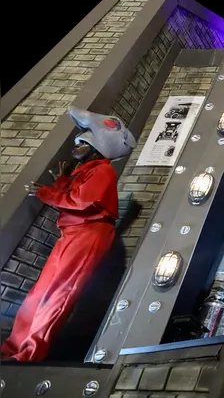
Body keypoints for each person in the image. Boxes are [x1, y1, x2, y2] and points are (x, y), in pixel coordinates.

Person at [1, 107, 135, 361]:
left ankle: (30, 353)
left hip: (88, 235)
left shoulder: (104, 170)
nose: (76, 145)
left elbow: (83, 202)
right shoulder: (87, 170)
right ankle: (11, 348)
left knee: (59, 295)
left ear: (97, 147)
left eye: (82, 142)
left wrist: (49, 192)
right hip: (73, 234)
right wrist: (62, 183)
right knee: (40, 293)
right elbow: (79, 197)